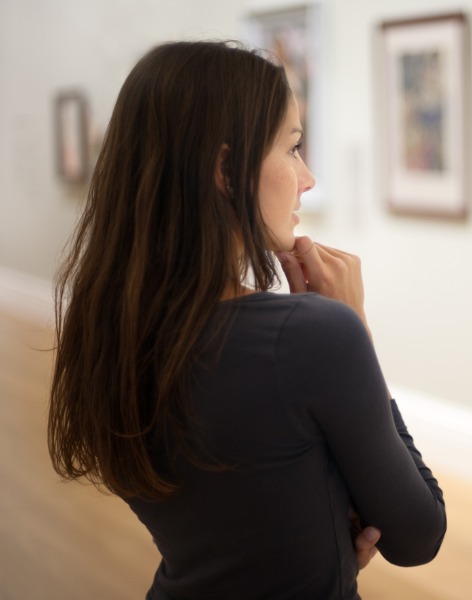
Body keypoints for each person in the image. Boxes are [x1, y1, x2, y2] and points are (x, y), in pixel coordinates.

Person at [47, 40, 446, 599]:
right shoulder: (314, 335)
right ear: (225, 169)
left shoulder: (107, 331)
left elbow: (240, 520)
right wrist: (357, 325)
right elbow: (418, 535)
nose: (306, 178)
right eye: (293, 148)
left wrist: (323, 535)